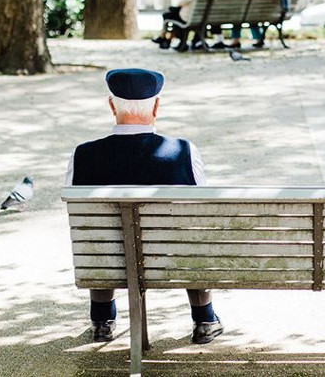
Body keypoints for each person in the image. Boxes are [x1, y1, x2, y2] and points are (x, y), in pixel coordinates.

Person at [65, 68, 224, 345]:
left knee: (100, 237)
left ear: (112, 106)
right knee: (192, 233)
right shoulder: (183, 151)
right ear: (157, 106)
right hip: (172, 260)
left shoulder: (83, 155)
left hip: (108, 261)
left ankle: (101, 320)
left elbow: (80, 214)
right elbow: (201, 207)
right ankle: (204, 319)